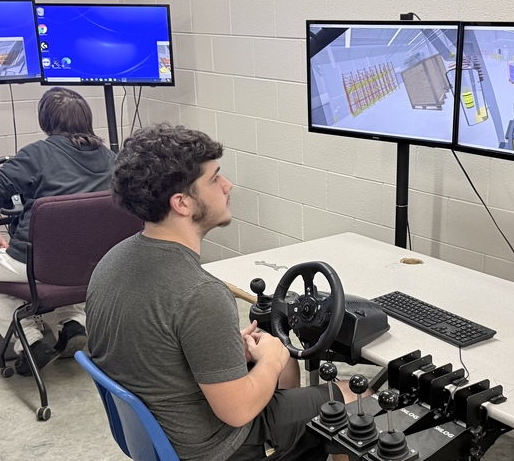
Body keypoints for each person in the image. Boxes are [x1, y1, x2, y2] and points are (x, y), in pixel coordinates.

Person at [86, 123, 362, 461]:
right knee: (356, 397)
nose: (228, 185)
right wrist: (272, 362)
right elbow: (238, 411)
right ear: (182, 203)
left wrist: (228, 352)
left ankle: (294, 443)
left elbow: (154, 350)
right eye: (215, 178)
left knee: (284, 365)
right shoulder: (200, 293)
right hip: (216, 447)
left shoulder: (112, 260)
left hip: (162, 434)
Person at [0, 87, 116, 376]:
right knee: (72, 261)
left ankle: (28, 341)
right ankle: (73, 324)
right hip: (94, 265)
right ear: (87, 119)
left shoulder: (38, 153)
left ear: (45, 121)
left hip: (38, 266)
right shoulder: (111, 158)